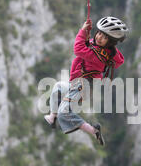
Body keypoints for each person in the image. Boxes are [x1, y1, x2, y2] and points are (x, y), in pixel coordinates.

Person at [44, 16, 128, 146]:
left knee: (64, 113)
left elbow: (78, 49)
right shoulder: (101, 50)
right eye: (99, 33)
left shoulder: (98, 55)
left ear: (109, 43)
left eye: (105, 37)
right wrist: (88, 35)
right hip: (76, 84)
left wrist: (82, 31)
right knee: (58, 87)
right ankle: (52, 117)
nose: (99, 37)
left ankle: (93, 130)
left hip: (83, 86)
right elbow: (116, 58)